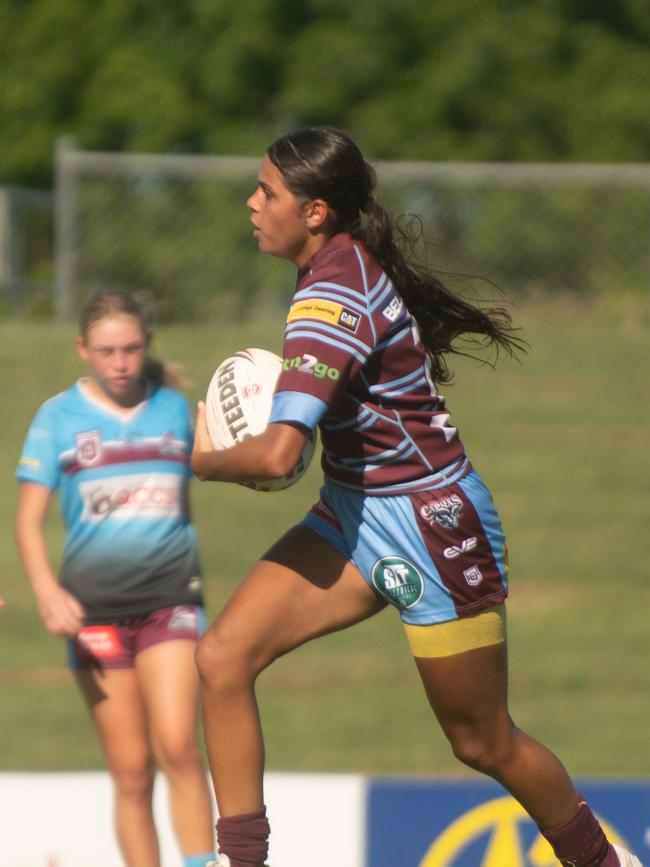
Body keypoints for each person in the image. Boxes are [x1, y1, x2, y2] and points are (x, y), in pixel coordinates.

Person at [190, 127, 642, 867]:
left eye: (267, 191)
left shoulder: (331, 295)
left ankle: (605, 864)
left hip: (434, 526)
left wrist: (201, 459)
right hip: (353, 510)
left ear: (314, 212)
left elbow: (276, 456)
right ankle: (239, 862)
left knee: (482, 740)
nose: (252, 202)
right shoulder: (332, 268)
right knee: (222, 657)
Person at [15, 291, 216, 867]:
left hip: (170, 601)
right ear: (83, 350)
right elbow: (27, 523)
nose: (120, 362)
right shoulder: (57, 418)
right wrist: (47, 593)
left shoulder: (179, 411)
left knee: (178, 745)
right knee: (131, 772)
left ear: (147, 345)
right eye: (106, 351)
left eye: (130, 349)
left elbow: (229, 474)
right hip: (93, 611)